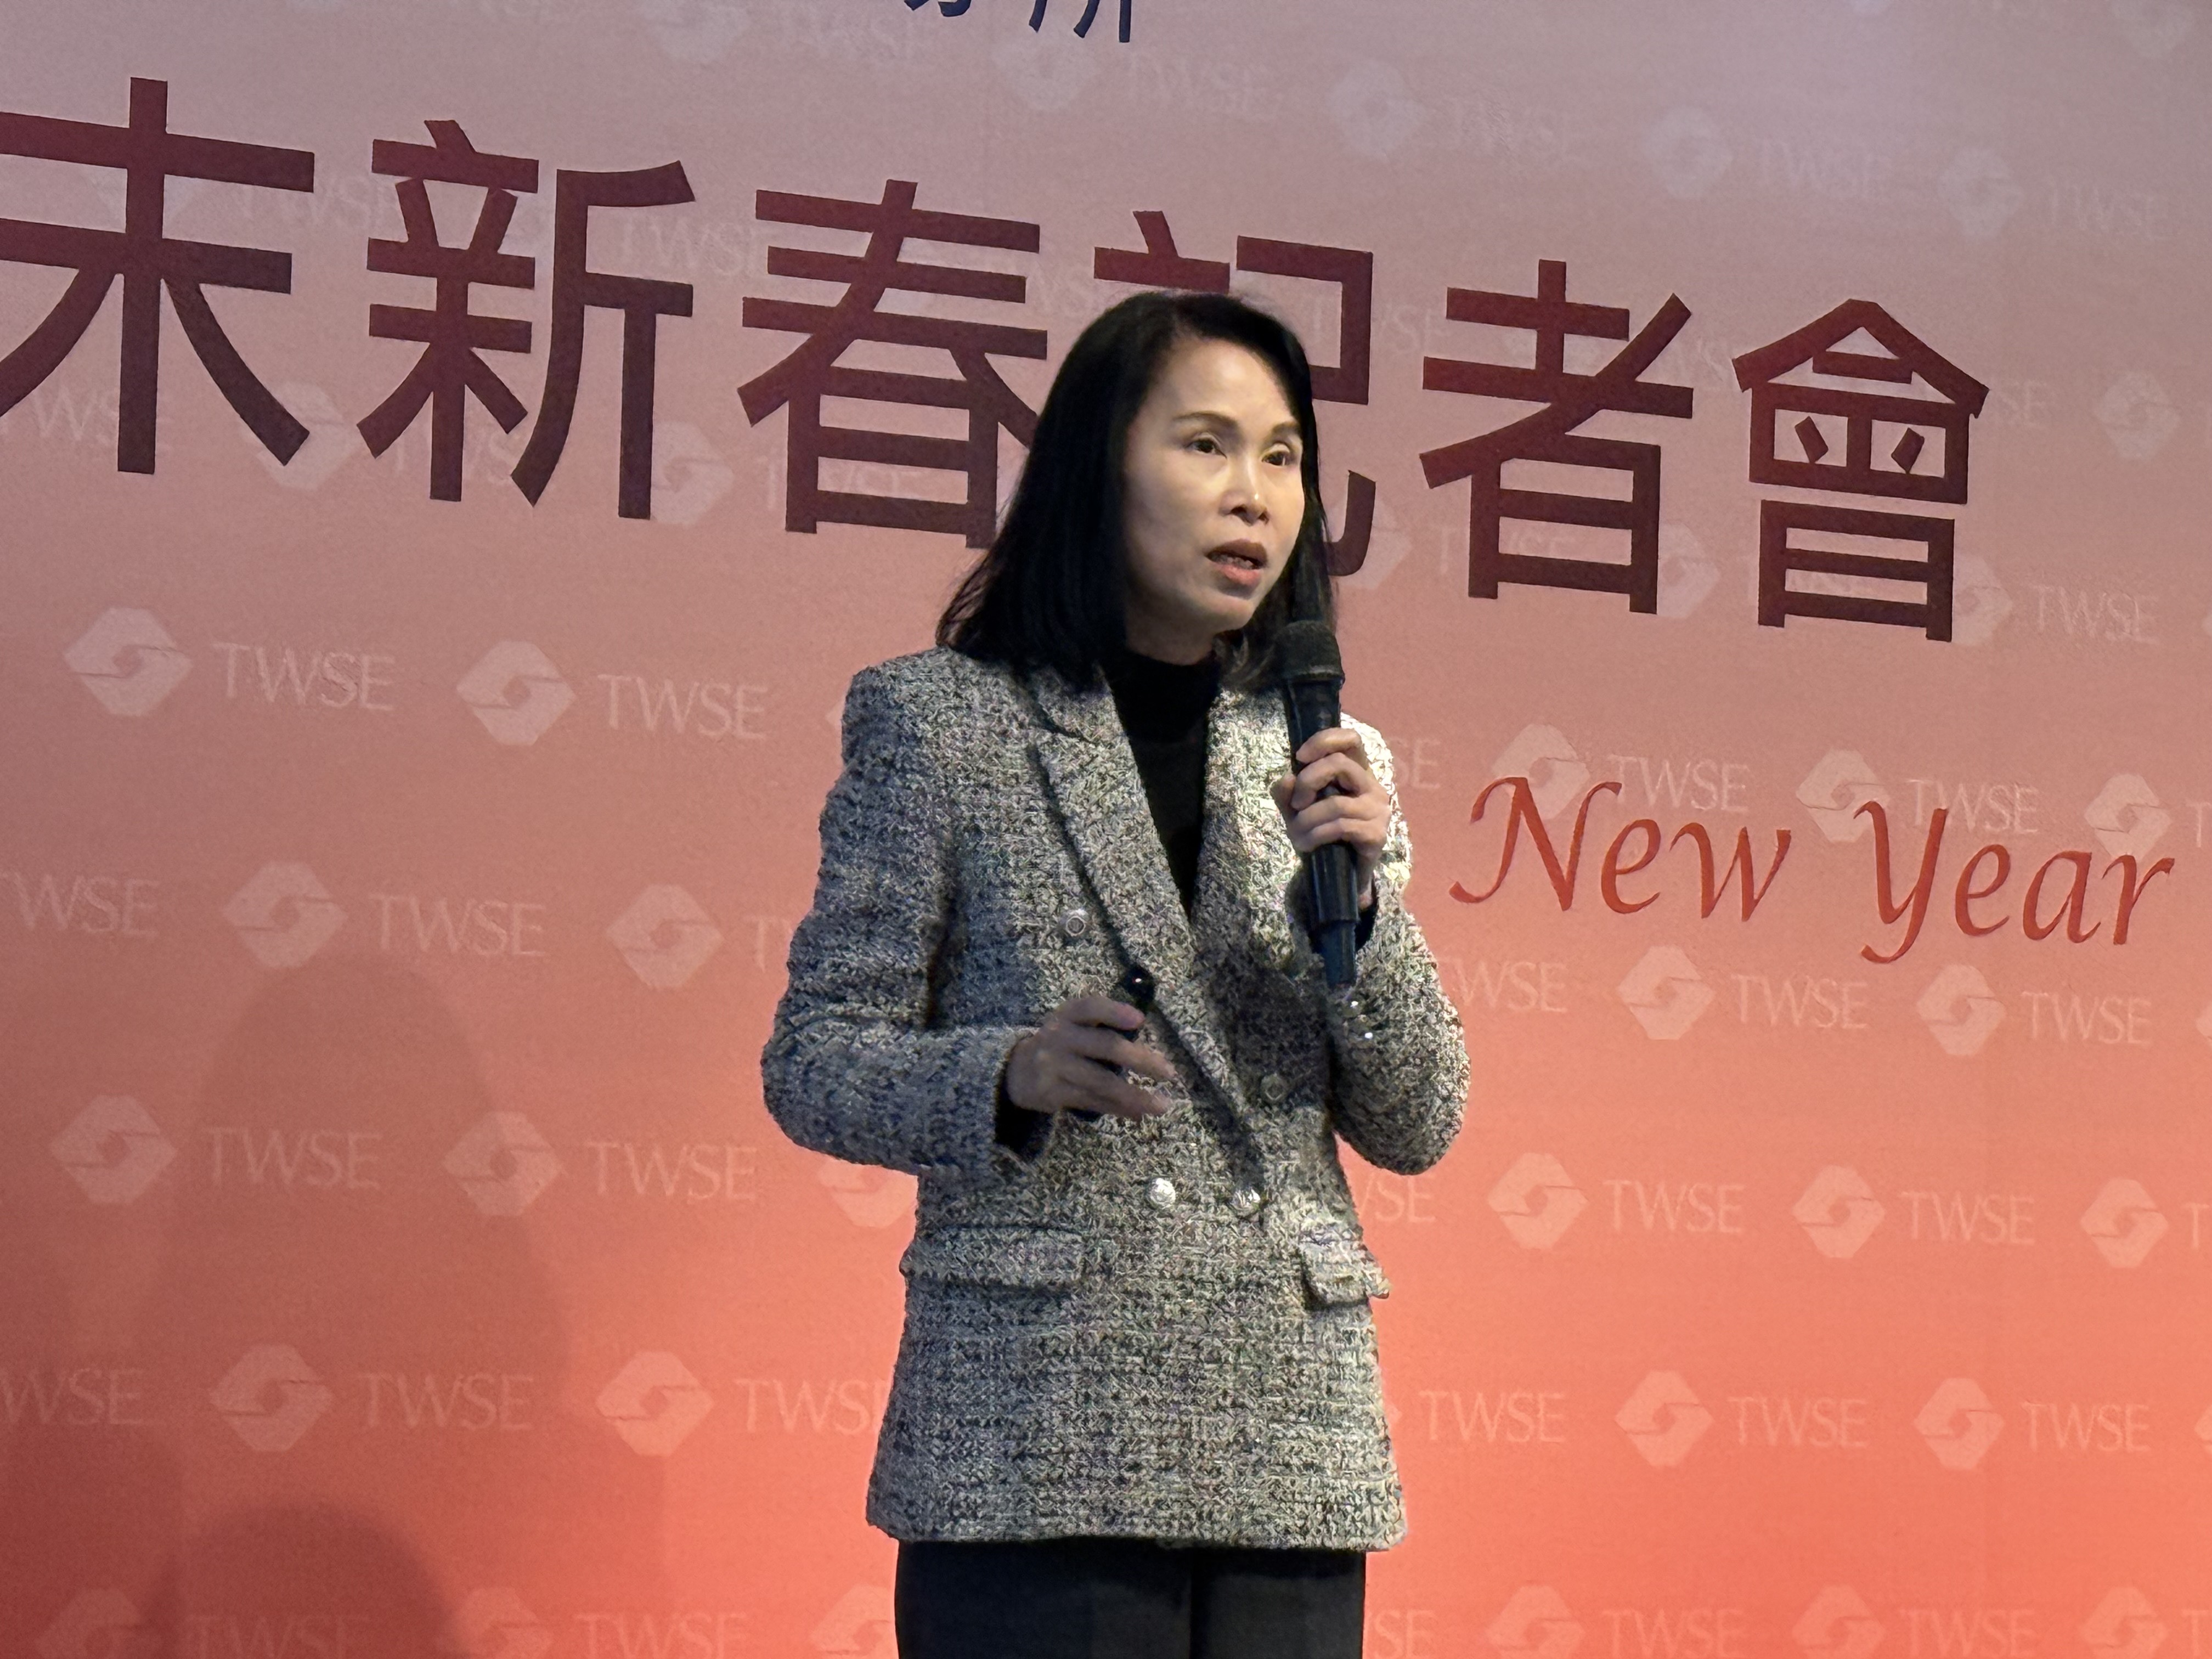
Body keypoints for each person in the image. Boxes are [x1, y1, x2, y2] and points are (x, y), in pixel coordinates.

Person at [760, 290, 1469, 1659]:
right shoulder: (943, 722)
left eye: (1283, 457)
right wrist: (1008, 1073)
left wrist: (1367, 910)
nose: (1254, 495)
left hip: (1286, 1438)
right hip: (1037, 1432)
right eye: (1207, 445)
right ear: (1100, 466)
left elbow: (1421, 1120)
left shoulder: (1327, 759)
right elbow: (817, 1057)